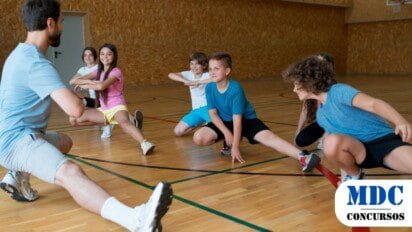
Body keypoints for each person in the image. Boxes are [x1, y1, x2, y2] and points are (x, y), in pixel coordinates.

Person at [0, 1, 172, 231]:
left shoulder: (20, 54)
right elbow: (76, 111)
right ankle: (136, 220)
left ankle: (16, 176)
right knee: (70, 172)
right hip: (16, 142)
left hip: (21, 134)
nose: (62, 27)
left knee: (65, 142)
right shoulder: (36, 63)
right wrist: (78, 100)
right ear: (50, 23)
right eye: (61, 22)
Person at [283, 55, 412, 182]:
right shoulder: (321, 115)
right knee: (330, 141)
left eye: (296, 84)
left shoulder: (338, 91)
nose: (294, 89)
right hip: (360, 152)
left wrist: (400, 121)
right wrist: (345, 179)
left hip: (383, 142)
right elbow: (338, 148)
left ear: (309, 81)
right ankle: (354, 177)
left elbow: (374, 104)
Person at [193, 52, 321, 172]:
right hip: (225, 121)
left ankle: (303, 157)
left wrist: (236, 147)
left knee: (269, 138)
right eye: (210, 69)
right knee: (199, 138)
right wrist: (227, 133)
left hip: (246, 120)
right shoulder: (209, 87)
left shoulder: (235, 89)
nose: (212, 72)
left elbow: (238, 121)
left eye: (216, 68)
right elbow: (213, 114)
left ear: (227, 71)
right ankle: (229, 142)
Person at [70, 43, 155, 156]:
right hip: (104, 109)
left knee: (124, 124)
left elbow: (101, 86)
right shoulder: (97, 72)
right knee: (74, 120)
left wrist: (87, 84)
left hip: (116, 106)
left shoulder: (116, 72)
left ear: (114, 56)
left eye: (109, 54)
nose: (105, 57)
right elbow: (72, 81)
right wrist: (88, 82)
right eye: (102, 54)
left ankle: (145, 143)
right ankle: (107, 122)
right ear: (99, 56)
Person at [71, 47, 114, 139]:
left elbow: (102, 82)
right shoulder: (82, 69)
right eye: (85, 55)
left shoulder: (100, 67)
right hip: (94, 99)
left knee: (82, 103)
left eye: (90, 54)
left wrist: (84, 82)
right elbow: (72, 81)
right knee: (75, 117)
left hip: (103, 98)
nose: (87, 57)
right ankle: (105, 121)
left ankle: (107, 124)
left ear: (95, 56)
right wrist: (83, 82)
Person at [293, 52, 334, 149]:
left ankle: (330, 136)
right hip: (321, 122)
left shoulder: (334, 88)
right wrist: (297, 131)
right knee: (300, 139)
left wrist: (326, 137)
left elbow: (335, 117)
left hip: (335, 124)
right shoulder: (310, 86)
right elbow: (305, 110)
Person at [168, 52, 211, 136]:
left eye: (197, 64)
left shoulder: (207, 75)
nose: (194, 67)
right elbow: (171, 75)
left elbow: (216, 78)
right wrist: (185, 81)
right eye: (191, 64)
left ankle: (209, 123)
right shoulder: (189, 74)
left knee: (208, 133)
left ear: (204, 66)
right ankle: (199, 124)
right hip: (195, 110)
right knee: (178, 132)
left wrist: (199, 82)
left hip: (208, 109)